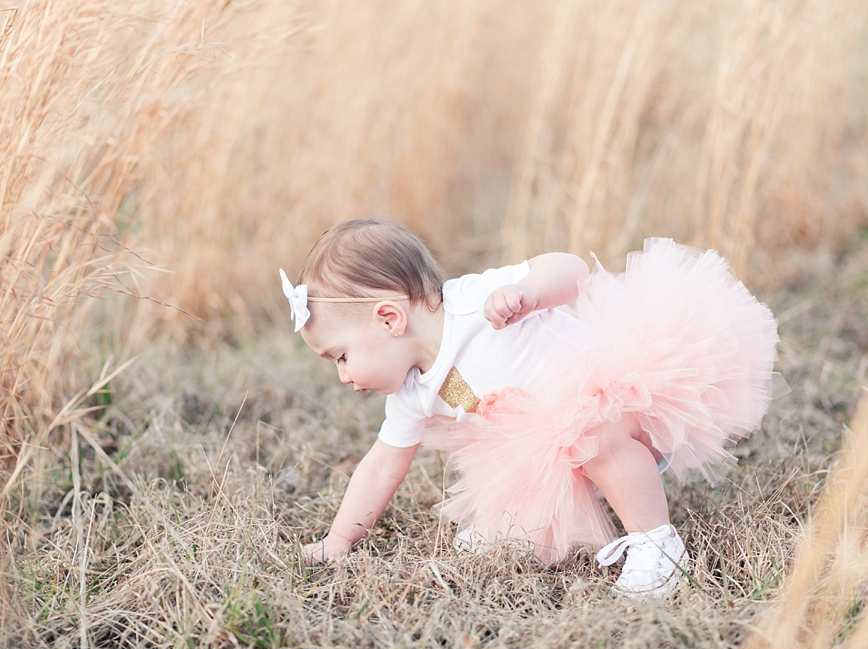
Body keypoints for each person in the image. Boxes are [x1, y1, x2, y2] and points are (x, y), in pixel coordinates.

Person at [279, 218, 781, 599]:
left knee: (591, 433)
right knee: (512, 531)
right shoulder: (412, 391)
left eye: (341, 357)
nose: (343, 376)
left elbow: (571, 269)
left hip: (618, 399)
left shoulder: (475, 303)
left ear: (388, 318)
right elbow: (382, 464)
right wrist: (339, 538)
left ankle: (656, 544)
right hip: (548, 448)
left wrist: (529, 292)